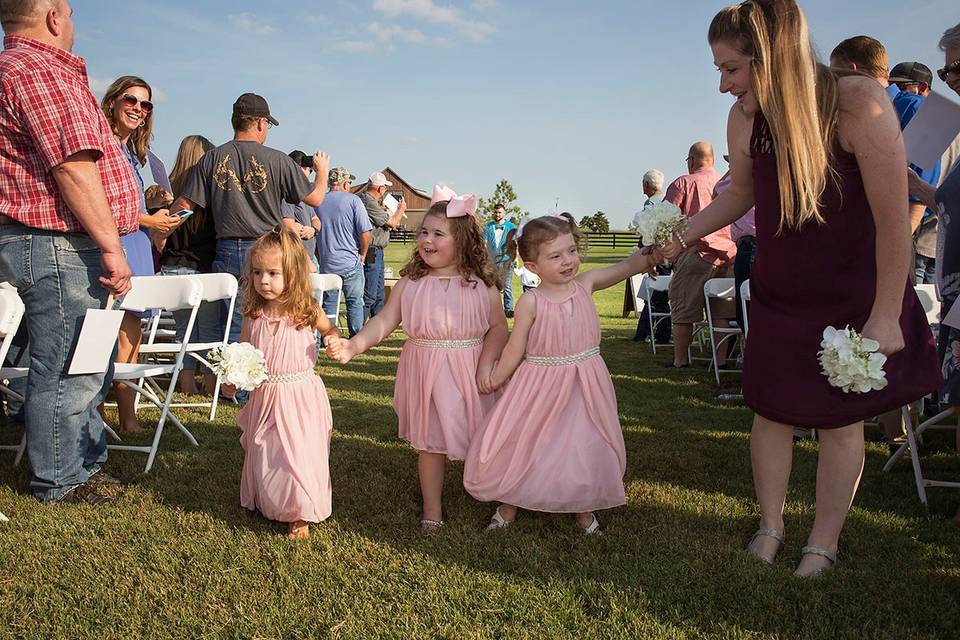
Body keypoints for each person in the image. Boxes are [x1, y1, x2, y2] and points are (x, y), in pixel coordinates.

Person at [663, 0, 941, 576]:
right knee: (770, 411)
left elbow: (894, 220)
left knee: (840, 419)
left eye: (732, 69)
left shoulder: (858, 102)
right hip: (780, 287)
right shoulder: (745, 118)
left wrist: (886, 314)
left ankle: (823, 542)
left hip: (851, 289)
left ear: (776, 58)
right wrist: (678, 237)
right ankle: (771, 526)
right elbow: (741, 192)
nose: (722, 86)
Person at [0, 0, 140, 503]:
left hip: (55, 241)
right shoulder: (39, 69)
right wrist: (111, 247)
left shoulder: (20, 68)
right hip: (60, 242)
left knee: (86, 359)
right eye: (71, 13)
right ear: (54, 18)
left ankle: (84, 460)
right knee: (68, 363)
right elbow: (73, 168)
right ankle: (60, 479)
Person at [463, 216, 662, 533]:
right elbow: (516, 347)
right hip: (540, 383)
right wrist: (496, 376)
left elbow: (626, 267)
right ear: (532, 266)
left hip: (585, 382)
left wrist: (653, 254)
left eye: (571, 250)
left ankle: (583, 507)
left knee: (582, 442)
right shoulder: (532, 301)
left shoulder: (587, 284)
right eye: (555, 256)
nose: (568, 261)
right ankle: (508, 503)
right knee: (528, 441)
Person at [326, 189, 508, 532]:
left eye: (438, 234)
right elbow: (384, 321)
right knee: (430, 442)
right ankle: (432, 508)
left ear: (464, 241)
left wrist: (488, 364)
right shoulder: (411, 281)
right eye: (424, 231)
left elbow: (498, 328)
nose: (427, 239)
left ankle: (503, 495)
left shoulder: (480, 284)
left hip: (471, 370)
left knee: (485, 437)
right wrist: (353, 346)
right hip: (426, 371)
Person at [169, 93, 330, 346]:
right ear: (259, 123)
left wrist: (161, 232)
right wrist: (322, 172)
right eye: (267, 124)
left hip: (225, 250)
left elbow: (185, 205)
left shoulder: (211, 158)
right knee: (267, 318)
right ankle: (253, 380)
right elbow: (316, 198)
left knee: (233, 322)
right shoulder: (279, 160)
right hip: (266, 250)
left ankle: (233, 380)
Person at [236, 227, 340, 539]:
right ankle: (271, 498)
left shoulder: (305, 310)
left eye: (272, 273)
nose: (263, 281)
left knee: (298, 453)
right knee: (269, 450)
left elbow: (329, 330)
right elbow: (243, 351)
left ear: (293, 274)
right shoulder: (253, 314)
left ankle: (299, 511)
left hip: (299, 395)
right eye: (257, 272)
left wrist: (334, 340)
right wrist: (233, 377)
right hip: (266, 395)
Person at [100, 75, 184, 433]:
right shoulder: (103, 145)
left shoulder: (134, 154)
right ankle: (100, 416)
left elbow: (127, 203)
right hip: (114, 246)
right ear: (113, 102)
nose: (138, 108)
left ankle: (128, 416)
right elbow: (98, 206)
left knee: (131, 339)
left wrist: (155, 213)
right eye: (131, 100)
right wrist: (150, 218)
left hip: (137, 245)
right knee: (109, 338)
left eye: (145, 104)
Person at [906, 22, 960, 522]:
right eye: (946, 69)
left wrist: (915, 189)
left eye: (957, 67)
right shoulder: (951, 123)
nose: (951, 79)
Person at [664, 141, 736, 368]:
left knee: (683, 307)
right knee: (720, 310)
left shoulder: (683, 183)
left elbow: (665, 219)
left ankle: (680, 360)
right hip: (728, 251)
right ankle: (720, 361)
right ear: (713, 160)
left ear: (691, 160)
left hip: (695, 251)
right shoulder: (727, 181)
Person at [159, 135, 220, 396]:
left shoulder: (168, 191)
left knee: (183, 331)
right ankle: (209, 383)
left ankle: (185, 384)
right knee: (209, 330)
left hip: (172, 267)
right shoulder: (209, 194)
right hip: (203, 268)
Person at [315, 166, 371, 337]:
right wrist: (363, 254)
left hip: (327, 263)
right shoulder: (353, 201)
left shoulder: (318, 202)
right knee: (354, 301)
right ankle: (356, 337)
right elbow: (365, 233)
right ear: (345, 183)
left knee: (330, 303)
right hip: (350, 262)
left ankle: (329, 337)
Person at [359, 172, 406, 320]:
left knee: (378, 292)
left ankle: (377, 326)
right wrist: (400, 210)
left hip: (376, 250)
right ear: (380, 189)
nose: (385, 190)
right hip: (373, 250)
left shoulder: (367, 200)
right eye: (385, 187)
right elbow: (392, 223)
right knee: (370, 292)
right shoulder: (368, 201)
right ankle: (361, 329)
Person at [281, 150, 322, 271]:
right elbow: (289, 228)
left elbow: (316, 220)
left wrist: (313, 230)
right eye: (306, 168)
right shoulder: (287, 194)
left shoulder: (304, 195)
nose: (308, 172)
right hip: (298, 259)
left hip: (309, 256)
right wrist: (307, 261)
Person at [484, 204, 517, 317]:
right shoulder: (488, 226)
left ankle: (508, 310)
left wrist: (515, 258)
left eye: (500, 212)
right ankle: (494, 308)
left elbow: (514, 244)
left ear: (504, 213)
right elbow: (485, 243)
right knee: (492, 286)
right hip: (492, 262)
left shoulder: (511, 226)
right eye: (496, 212)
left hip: (507, 260)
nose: (497, 215)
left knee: (507, 286)